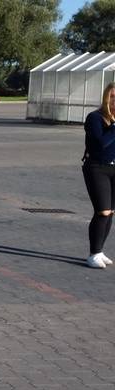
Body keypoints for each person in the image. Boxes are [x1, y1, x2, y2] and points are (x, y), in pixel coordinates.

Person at [82, 82, 115, 268]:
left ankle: (100, 251)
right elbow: (101, 144)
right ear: (106, 97)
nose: (114, 101)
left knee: (110, 212)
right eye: (112, 96)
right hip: (97, 168)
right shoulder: (95, 118)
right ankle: (93, 254)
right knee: (102, 211)